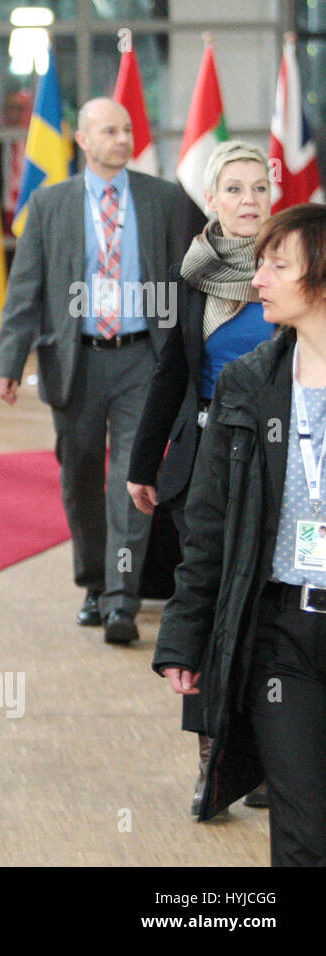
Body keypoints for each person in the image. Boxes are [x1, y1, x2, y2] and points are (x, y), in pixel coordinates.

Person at [0, 97, 203, 645]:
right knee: (80, 477)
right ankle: (92, 581)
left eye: (127, 129)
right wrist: (9, 362)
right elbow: (26, 287)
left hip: (143, 358)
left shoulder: (162, 198)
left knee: (131, 482)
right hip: (76, 358)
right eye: (109, 130)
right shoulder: (49, 204)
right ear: (82, 140)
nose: (122, 138)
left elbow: (183, 281)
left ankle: (121, 600)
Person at [154, 203, 326, 865]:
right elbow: (211, 526)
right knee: (303, 833)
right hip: (280, 636)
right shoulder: (249, 382)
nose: (260, 281)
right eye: (260, 266)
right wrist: (184, 635)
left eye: (279, 265)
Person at [126, 141, 274, 817]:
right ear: (211, 201)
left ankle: (273, 758)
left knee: (270, 618)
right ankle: (213, 759)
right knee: (208, 618)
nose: (249, 201)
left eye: (259, 188)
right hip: (203, 469)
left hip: (278, 468)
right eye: (235, 189)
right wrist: (141, 463)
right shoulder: (186, 280)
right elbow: (170, 375)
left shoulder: (295, 270)